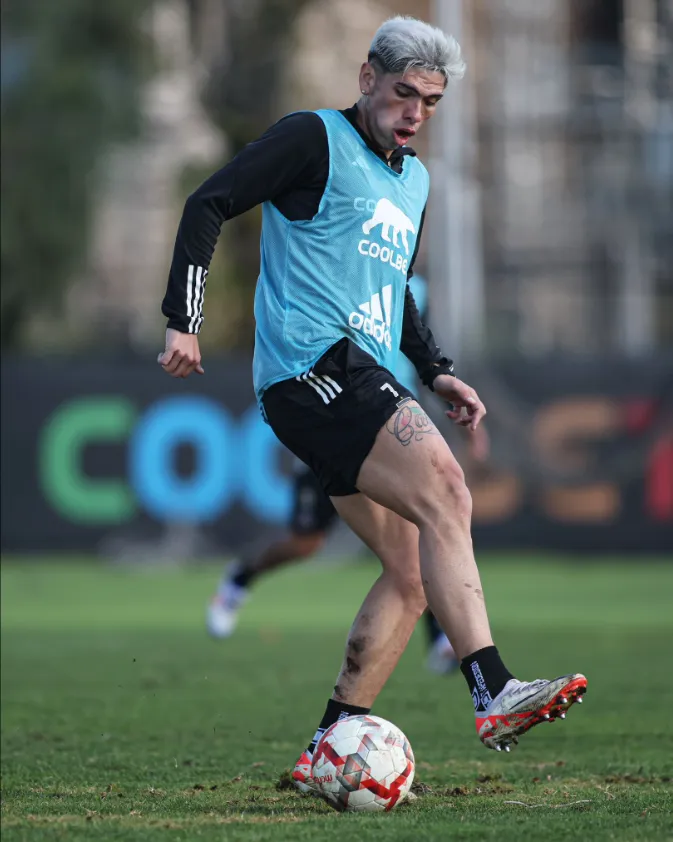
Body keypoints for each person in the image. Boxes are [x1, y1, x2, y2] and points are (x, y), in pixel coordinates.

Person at [159, 16, 587, 790]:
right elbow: (208, 201)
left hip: (360, 372)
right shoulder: (313, 140)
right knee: (449, 490)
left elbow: (395, 299)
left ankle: (321, 751)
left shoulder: (414, 180)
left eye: (429, 100)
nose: (414, 111)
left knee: (408, 570)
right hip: (314, 367)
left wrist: (437, 370)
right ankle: (492, 688)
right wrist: (183, 321)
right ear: (365, 80)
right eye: (402, 93)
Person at [207, 456, 461, 675]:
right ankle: (241, 577)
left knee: (405, 547)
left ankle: (437, 634)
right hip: (322, 454)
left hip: (375, 455)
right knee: (304, 545)